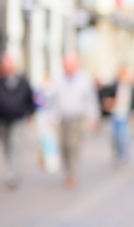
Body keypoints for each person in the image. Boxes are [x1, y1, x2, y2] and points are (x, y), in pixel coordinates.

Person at [51, 54, 100, 188]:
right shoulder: (59, 78)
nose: (69, 68)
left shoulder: (84, 79)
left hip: (77, 118)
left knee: (73, 145)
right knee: (63, 145)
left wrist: (93, 118)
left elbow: (91, 100)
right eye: (67, 64)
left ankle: (72, 173)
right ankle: (66, 171)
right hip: (62, 118)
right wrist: (52, 118)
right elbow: (54, 100)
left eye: (71, 64)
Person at [0, 55, 35, 189]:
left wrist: (29, 113)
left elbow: (29, 99)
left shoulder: (22, 81)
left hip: (18, 119)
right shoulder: (2, 81)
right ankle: (11, 169)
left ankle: (14, 173)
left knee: (16, 144)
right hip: (3, 119)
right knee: (7, 145)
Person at [101, 67, 134, 165]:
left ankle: (124, 154)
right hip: (115, 113)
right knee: (115, 136)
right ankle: (117, 152)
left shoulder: (131, 88)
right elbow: (105, 95)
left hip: (125, 115)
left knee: (124, 135)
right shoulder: (114, 86)